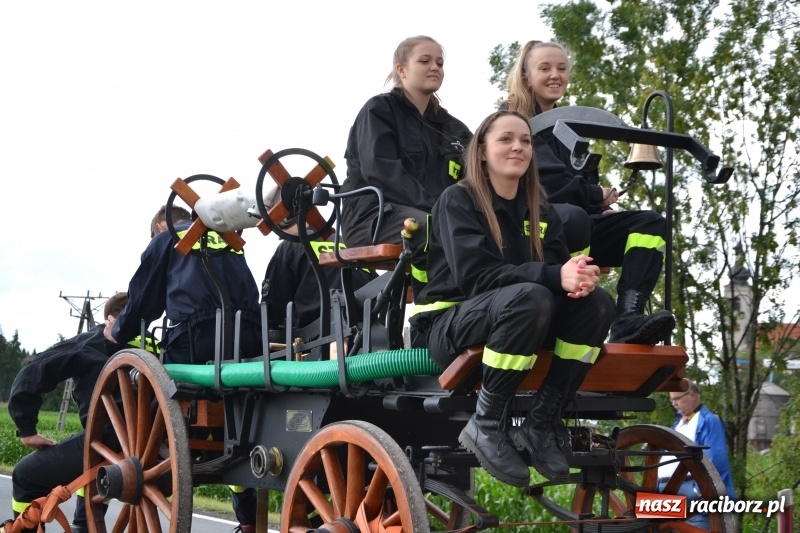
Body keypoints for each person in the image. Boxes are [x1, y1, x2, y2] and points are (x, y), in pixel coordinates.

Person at [410, 110, 615, 487]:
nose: (518, 146)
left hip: (519, 317)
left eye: (524, 140)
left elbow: (554, 272)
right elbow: (477, 278)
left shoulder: (539, 207)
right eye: (506, 139)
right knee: (531, 297)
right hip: (448, 323)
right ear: (483, 151)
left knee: (599, 303)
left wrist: (579, 280)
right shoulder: (457, 200)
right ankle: (486, 423)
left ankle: (541, 423)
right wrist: (556, 275)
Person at [504, 40, 675, 345]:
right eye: (545, 68)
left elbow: (575, 182)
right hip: (531, 230)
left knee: (650, 224)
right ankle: (569, 312)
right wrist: (595, 194)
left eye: (561, 68)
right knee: (574, 217)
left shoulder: (568, 128)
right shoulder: (514, 124)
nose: (555, 75)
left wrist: (599, 209)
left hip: (577, 225)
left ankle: (627, 319)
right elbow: (547, 182)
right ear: (527, 76)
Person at [106, 205, 261, 532]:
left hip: (196, 341)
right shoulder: (228, 237)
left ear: (162, 224)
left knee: (146, 392)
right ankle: (247, 520)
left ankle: (162, 462)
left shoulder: (166, 239)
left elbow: (142, 301)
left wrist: (117, 331)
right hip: (248, 343)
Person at [339, 35, 473, 287]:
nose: (435, 67)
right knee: (444, 230)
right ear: (401, 69)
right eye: (425, 60)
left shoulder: (454, 129)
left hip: (440, 216)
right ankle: (433, 310)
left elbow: (477, 176)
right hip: (374, 216)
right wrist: (442, 209)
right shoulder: (378, 111)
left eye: (440, 63)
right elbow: (382, 172)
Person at [5, 292, 134, 533]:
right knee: (90, 460)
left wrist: (26, 430)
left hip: (112, 439)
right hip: (164, 440)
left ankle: (24, 529)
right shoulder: (163, 342)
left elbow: (33, 371)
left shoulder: (91, 343)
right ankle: (84, 525)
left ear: (109, 320)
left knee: (25, 475)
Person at [658, 380, 736, 528]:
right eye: (672, 400)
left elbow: (716, 460)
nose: (674, 404)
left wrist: (699, 491)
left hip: (690, 493)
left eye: (677, 398)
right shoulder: (678, 424)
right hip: (665, 495)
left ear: (692, 395)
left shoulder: (709, 421)